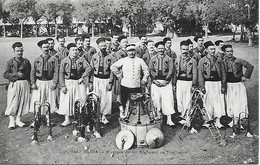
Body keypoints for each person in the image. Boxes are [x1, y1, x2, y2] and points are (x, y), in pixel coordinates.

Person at [56, 43, 92, 127]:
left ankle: (78, 118)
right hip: (68, 82)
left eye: (76, 50)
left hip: (78, 82)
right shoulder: (64, 61)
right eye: (73, 50)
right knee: (67, 100)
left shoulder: (81, 60)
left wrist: (82, 77)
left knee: (79, 99)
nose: (75, 52)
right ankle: (67, 119)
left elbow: (89, 68)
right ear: (69, 51)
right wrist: (62, 86)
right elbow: (60, 73)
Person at [222, 44, 254, 137]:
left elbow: (250, 66)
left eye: (231, 51)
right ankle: (234, 125)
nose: (229, 53)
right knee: (231, 105)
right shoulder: (222, 62)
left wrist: (245, 76)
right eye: (227, 51)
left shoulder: (238, 60)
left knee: (240, 104)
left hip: (238, 85)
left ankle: (244, 125)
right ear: (224, 52)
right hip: (228, 86)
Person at [29, 40, 59, 127]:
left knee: (49, 100)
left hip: (49, 82)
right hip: (39, 82)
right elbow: (33, 72)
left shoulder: (54, 59)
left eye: (47, 47)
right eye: (44, 47)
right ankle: (36, 119)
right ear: (41, 48)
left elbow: (56, 71)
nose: (46, 49)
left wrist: (55, 82)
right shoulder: (37, 59)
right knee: (38, 100)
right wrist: (33, 83)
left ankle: (48, 118)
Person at [111, 44, 149, 110]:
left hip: (136, 85)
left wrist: (144, 79)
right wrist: (119, 75)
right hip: (125, 85)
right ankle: (123, 114)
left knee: (137, 102)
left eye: (133, 51)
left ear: (135, 51)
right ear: (127, 52)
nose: (131, 53)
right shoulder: (123, 60)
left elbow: (146, 71)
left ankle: (135, 116)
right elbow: (113, 67)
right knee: (124, 101)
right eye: (129, 51)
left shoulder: (140, 60)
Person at [198, 41, 226, 128]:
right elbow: (200, 74)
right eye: (211, 49)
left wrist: (223, 85)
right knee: (208, 101)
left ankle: (218, 121)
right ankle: (208, 120)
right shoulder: (202, 61)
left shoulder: (219, 60)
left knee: (218, 101)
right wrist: (202, 86)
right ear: (206, 50)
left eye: (214, 49)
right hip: (208, 83)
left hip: (217, 83)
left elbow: (223, 73)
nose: (213, 51)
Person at [3, 42, 31, 129]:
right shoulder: (10, 62)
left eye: (21, 51)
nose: (20, 53)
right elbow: (5, 74)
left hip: (24, 83)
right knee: (13, 102)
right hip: (14, 83)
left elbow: (29, 74)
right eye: (18, 51)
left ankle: (18, 119)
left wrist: (30, 84)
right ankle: (12, 121)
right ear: (14, 51)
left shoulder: (26, 61)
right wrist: (15, 75)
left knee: (22, 101)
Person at [89, 38, 115, 124]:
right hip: (96, 79)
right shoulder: (94, 57)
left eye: (104, 45)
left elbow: (112, 71)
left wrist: (110, 83)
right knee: (96, 98)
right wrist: (90, 82)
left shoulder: (110, 57)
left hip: (106, 80)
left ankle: (104, 116)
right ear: (98, 46)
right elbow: (91, 70)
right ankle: (96, 116)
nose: (103, 47)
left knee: (106, 99)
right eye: (101, 46)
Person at [149, 41, 175, 126]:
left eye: (162, 48)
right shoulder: (152, 59)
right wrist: (154, 80)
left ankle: (169, 119)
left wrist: (166, 81)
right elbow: (150, 70)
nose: (161, 50)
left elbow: (171, 70)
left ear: (164, 48)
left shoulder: (169, 59)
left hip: (166, 83)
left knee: (168, 100)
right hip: (156, 82)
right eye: (159, 48)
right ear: (156, 49)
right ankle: (157, 117)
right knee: (156, 99)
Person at [173, 40, 197, 126]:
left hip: (188, 82)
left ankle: (188, 118)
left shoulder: (192, 61)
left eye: (187, 49)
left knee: (188, 100)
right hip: (179, 82)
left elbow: (195, 73)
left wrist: (194, 84)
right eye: (183, 49)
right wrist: (174, 84)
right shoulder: (177, 60)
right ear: (180, 49)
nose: (185, 51)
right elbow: (175, 73)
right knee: (179, 100)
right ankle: (181, 117)